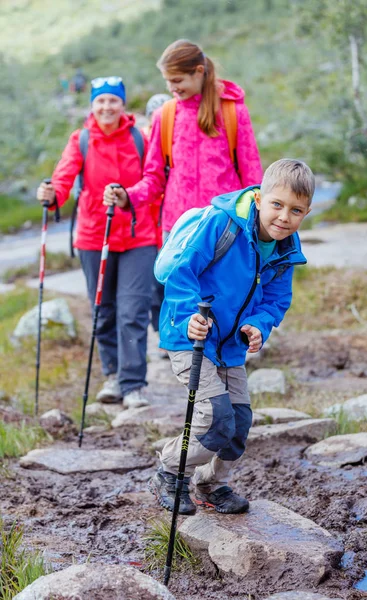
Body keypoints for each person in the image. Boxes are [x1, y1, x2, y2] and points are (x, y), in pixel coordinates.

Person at [151, 158, 314, 515]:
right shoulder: (222, 223)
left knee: (239, 423)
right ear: (259, 198)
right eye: (277, 204)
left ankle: (211, 485)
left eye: (296, 210)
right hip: (190, 337)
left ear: (306, 212)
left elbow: (276, 300)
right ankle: (170, 471)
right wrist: (189, 316)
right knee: (215, 417)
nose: (284, 217)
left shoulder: (287, 250)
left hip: (229, 347)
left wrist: (259, 324)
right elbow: (182, 272)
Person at [36, 77, 157, 409]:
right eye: (101, 101)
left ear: (123, 104)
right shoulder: (82, 140)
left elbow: (153, 180)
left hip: (138, 235)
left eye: (113, 101)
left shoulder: (139, 138)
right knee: (103, 310)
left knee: (133, 310)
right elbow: (63, 178)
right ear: (92, 105)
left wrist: (127, 198)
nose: (107, 107)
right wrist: (51, 196)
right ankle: (113, 376)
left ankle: (133, 385)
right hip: (94, 236)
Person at [103, 39, 263, 238]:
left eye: (177, 80)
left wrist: (260, 224)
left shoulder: (234, 112)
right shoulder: (164, 115)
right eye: (167, 81)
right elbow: (154, 178)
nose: (171, 88)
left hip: (226, 228)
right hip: (178, 230)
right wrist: (128, 197)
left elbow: (252, 176)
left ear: (198, 71)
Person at [142, 93, 171, 344]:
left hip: (168, 218)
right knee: (155, 282)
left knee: (168, 277)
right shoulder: (143, 141)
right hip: (148, 222)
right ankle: (160, 330)